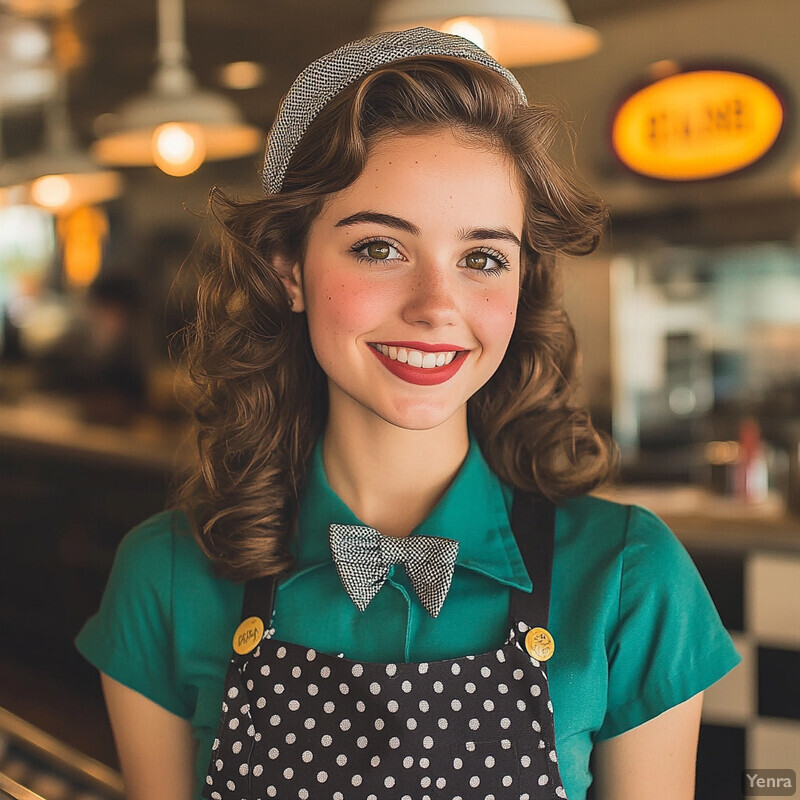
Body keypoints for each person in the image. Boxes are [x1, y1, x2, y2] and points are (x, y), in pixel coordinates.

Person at [76, 27, 740, 800]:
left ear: (521, 284)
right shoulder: (166, 574)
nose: (435, 307)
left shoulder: (629, 579)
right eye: (379, 249)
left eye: (482, 258)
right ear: (288, 268)